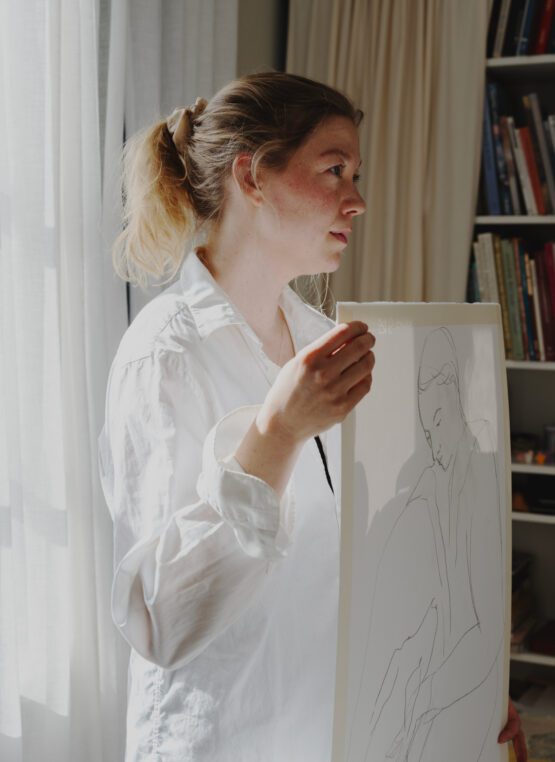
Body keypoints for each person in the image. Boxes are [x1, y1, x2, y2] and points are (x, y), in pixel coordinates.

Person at [98, 72, 526, 762]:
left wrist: (464, 693)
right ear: (252, 176)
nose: (357, 200)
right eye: (334, 170)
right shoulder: (165, 355)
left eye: (355, 175)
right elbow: (159, 617)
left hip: (329, 734)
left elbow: (363, 565)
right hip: (224, 741)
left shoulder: (327, 344)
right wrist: (278, 434)